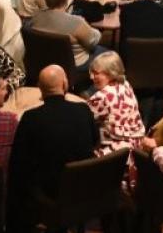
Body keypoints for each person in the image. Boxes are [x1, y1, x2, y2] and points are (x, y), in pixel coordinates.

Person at [8, 64, 98, 201]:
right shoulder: (83, 109)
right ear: (65, 84)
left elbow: (18, 160)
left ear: (40, 88)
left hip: (48, 194)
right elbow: (95, 141)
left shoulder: (30, 117)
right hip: (84, 189)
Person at [30, 0, 103, 73]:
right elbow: (92, 43)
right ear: (66, 0)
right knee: (109, 54)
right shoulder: (76, 22)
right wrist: (95, 31)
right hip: (75, 66)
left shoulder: (36, 17)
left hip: (46, 63)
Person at [86, 51, 145, 156]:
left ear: (110, 73)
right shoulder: (126, 85)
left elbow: (82, 118)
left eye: (96, 73)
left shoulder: (101, 97)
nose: (91, 77)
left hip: (115, 153)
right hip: (137, 148)